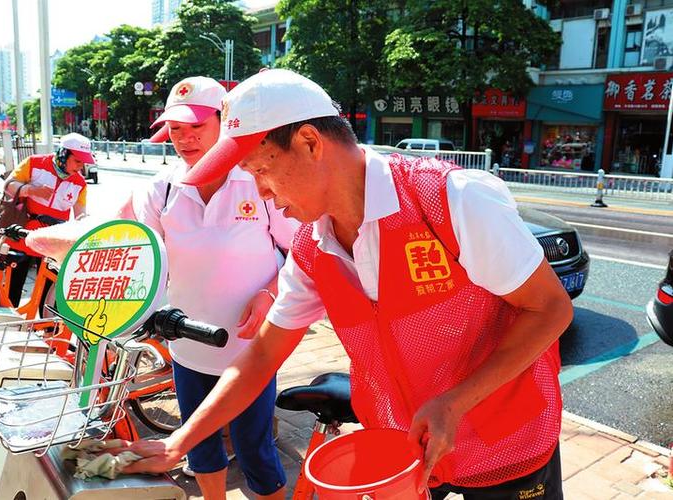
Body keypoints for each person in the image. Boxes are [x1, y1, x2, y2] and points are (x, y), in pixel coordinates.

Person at [109, 69, 574, 499]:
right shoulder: (314, 248)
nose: (261, 192)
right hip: (406, 447)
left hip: (505, 443)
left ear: (310, 142)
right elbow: (264, 355)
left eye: (261, 170)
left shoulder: (450, 199)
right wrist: (178, 442)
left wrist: (454, 403)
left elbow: (550, 309)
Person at [115, 76, 295, 500]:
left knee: (255, 448)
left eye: (197, 126)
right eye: (176, 129)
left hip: (250, 348)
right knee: (199, 443)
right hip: (188, 346)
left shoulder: (257, 180)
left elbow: (300, 250)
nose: (186, 139)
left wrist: (268, 292)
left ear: (224, 123)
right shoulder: (160, 190)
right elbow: (142, 253)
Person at [3, 133, 90, 307]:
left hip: (53, 242)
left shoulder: (80, 184)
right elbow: (8, 185)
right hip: (23, 235)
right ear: (63, 155)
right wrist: (31, 190)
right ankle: (7, 323)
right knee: (12, 289)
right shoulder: (34, 163)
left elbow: (80, 214)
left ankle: (47, 329)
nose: (80, 167)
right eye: (77, 161)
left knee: (50, 296)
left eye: (83, 162)